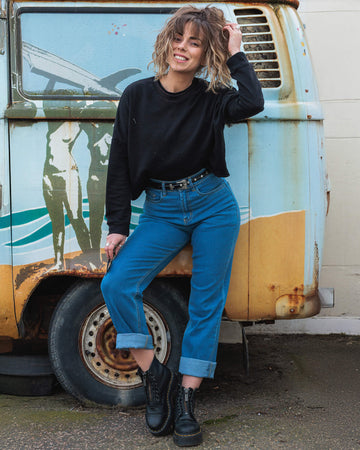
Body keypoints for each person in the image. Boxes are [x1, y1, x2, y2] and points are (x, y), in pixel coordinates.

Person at [101, 5, 264, 447]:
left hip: (213, 205)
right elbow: (119, 164)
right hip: (162, 210)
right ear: (166, 43)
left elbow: (252, 101)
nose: (183, 48)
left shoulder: (212, 97)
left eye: (195, 42)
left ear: (205, 52)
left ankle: (187, 401)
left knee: (205, 304)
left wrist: (236, 53)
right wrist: (117, 226)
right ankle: (157, 376)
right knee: (117, 284)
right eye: (179, 39)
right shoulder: (136, 96)